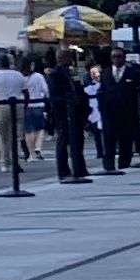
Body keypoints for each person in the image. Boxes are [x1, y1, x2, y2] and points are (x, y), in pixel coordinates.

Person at [44, 51, 93, 184]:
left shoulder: (70, 73)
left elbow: (77, 88)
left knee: (78, 140)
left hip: (75, 111)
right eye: (69, 57)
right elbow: (54, 96)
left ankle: (80, 167)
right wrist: (68, 101)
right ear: (61, 58)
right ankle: (63, 170)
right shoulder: (55, 74)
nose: (72, 60)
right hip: (63, 113)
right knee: (63, 140)